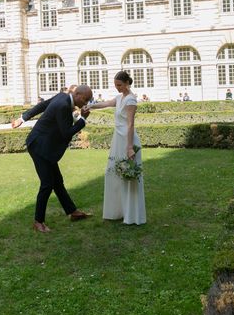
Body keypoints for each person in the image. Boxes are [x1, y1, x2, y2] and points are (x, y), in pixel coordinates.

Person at [11, 85, 94, 233]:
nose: (86, 103)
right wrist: (82, 120)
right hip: (39, 146)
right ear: (78, 95)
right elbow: (66, 133)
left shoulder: (62, 96)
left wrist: (22, 118)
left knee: (57, 182)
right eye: (86, 99)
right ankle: (38, 222)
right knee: (47, 184)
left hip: (44, 145)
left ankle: (72, 212)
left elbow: (42, 105)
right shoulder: (63, 105)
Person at [88, 71, 146, 225]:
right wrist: (90, 106)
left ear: (127, 83)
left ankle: (132, 216)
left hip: (128, 141)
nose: (117, 88)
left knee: (129, 177)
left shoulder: (131, 100)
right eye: (115, 85)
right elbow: (106, 103)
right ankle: (117, 212)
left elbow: (130, 124)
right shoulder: (120, 98)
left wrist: (129, 147)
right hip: (118, 140)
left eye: (119, 85)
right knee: (114, 174)